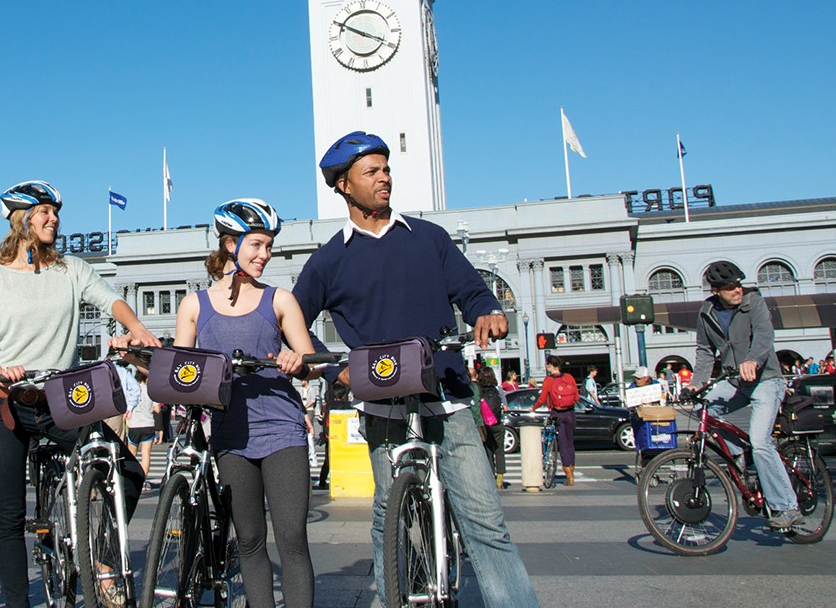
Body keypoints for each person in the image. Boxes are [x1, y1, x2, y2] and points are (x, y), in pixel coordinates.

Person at [292, 131, 537, 607]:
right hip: (381, 402)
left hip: (448, 397)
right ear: (344, 186)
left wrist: (488, 310)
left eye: (386, 169)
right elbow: (291, 320)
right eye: (371, 172)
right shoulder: (328, 261)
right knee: (389, 517)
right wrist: (330, 371)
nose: (384, 178)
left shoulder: (429, 238)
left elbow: (472, 290)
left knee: (486, 520)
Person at [0, 179, 159, 608]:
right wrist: (1, 371)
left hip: (60, 399)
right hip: (8, 403)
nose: (53, 219)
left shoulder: (71, 270)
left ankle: (102, 561)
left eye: (55, 212)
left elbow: (109, 300)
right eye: (44, 212)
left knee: (126, 473)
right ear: (21, 221)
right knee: (9, 518)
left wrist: (136, 327)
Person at [173, 198, 317, 608]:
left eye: (269, 246)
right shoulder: (193, 305)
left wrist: (298, 362)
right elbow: (181, 373)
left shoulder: (280, 300)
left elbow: (311, 363)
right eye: (257, 245)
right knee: (250, 541)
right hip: (230, 434)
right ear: (230, 243)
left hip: (282, 429)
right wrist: (136, 356)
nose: (264, 255)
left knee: (292, 539)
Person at [689, 260, 803, 531]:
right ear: (716, 290)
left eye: (738, 284)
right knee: (708, 409)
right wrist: (696, 383)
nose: (737, 290)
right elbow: (705, 350)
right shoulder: (707, 312)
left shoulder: (753, 302)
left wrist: (752, 359)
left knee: (761, 441)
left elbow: (765, 334)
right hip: (734, 381)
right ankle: (739, 458)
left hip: (765, 379)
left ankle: (788, 507)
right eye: (730, 288)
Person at [533, 356, 579, 486]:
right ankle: (571, 471)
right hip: (570, 412)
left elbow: (542, 398)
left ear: (549, 366)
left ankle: (568, 476)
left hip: (557, 413)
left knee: (562, 443)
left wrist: (533, 407)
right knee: (570, 443)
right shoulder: (569, 377)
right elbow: (576, 395)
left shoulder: (548, 380)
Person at [475, 365, 506, 489]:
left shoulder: (479, 390)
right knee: (499, 451)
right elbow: (504, 406)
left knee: (488, 451)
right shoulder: (498, 389)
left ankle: (490, 477)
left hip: (484, 424)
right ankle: (500, 480)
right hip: (497, 423)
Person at [126, 375, 158, 487]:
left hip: (134, 424)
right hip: (148, 424)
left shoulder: (131, 390)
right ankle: (142, 480)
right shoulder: (151, 391)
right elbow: (157, 409)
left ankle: (131, 479)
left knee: (131, 454)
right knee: (146, 454)